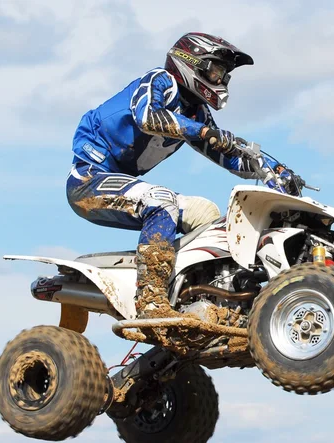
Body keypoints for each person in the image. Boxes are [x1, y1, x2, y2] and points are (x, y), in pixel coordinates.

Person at [66, 32, 288, 319]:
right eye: (217, 70)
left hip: (125, 184)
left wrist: (275, 170)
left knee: (206, 213)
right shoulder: (160, 81)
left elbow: (228, 153)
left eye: (225, 76)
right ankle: (150, 299)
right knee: (161, 199)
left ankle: (205, 299)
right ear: (191, 62)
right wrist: (204, 132)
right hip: (89, 180)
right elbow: (148, 117)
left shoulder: (196, 112)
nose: (220, 80)